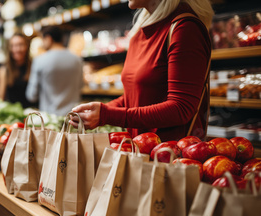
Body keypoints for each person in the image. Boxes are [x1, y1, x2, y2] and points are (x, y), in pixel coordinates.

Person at [71, 0, 213, 141]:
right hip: (141, 149)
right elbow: (135, 96)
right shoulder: (139, 33)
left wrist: (108, 115)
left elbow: (181, 108)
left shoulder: (185, 28)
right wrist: (100, 111)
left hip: (171, 155)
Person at [25, 26, 83, 116]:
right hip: (73, 117)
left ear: (48, 38)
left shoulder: (39, 60)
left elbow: (31, 95)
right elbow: (80, 86)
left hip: (49, 119)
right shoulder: (77, 59)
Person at [0, 33, 37, 109]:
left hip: (33, 113)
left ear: (26, 46)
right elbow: (0, 98)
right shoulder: (4, 70)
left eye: (21, 45)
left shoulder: (34, 66)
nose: (17, 49)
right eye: (13, 46)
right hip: (13, 114)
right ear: (9, 48)